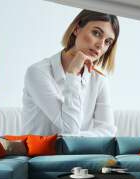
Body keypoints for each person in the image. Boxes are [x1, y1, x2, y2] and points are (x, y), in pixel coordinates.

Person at [21, 9, 120, 137]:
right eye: (96, 33)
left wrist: (77, 138)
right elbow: (70, 129)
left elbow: (107, 132)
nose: (100, 45)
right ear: (77, 29)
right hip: (39, 154)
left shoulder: (99, 80)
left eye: (108, 42)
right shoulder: (38, 72)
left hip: (77, 153)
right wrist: (72, 74)